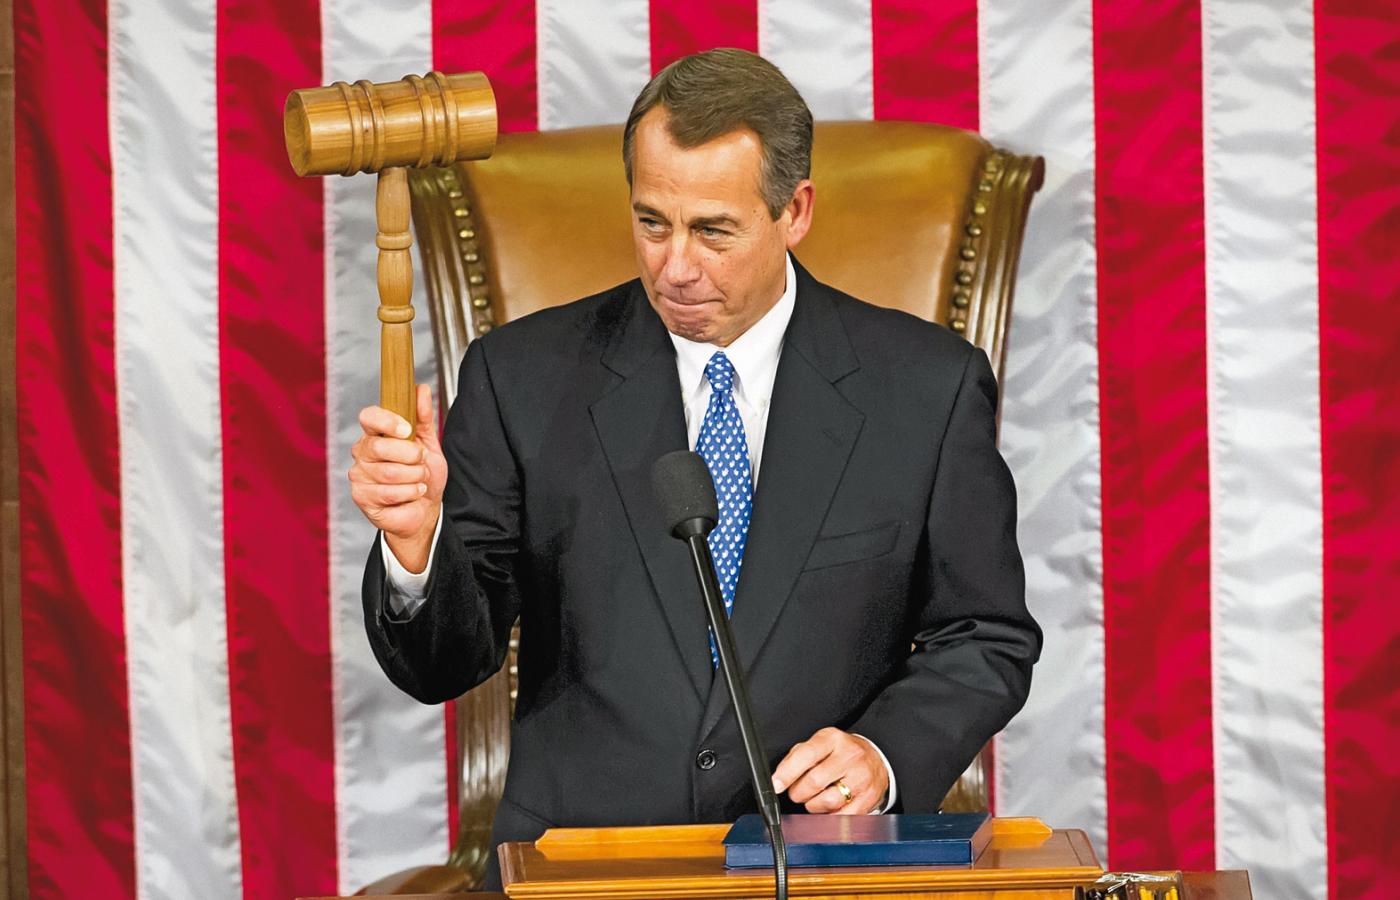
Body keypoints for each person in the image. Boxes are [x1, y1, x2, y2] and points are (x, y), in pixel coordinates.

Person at [350, 48, 1040, 890]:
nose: (675, 267)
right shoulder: (521, 378)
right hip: (582, 872)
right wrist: (418, 546)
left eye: (713, 231)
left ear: (795, 212)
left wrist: (882, 755)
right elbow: (444, 665)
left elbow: (987, 635)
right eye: (652, 223)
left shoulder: (925, 390)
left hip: (824, 869)